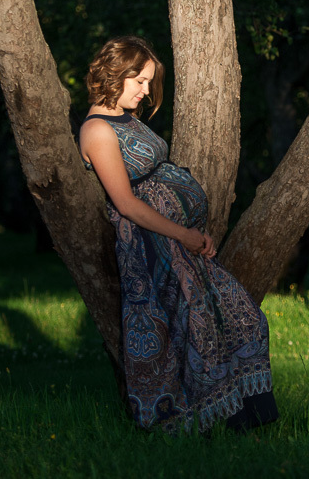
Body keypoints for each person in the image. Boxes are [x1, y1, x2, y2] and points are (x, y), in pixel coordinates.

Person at [79, 35, 277, 434]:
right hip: (154, 247)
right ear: (114, 74)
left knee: (242, 318)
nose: (146, 91)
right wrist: (184, 235)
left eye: (149, 82)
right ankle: (197, 427)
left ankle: (242, 421)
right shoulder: (98, 130)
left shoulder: (125, 119)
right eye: (140, 81)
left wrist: (192, 230)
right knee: (195, 330)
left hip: (177, 240)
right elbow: (127, 204)